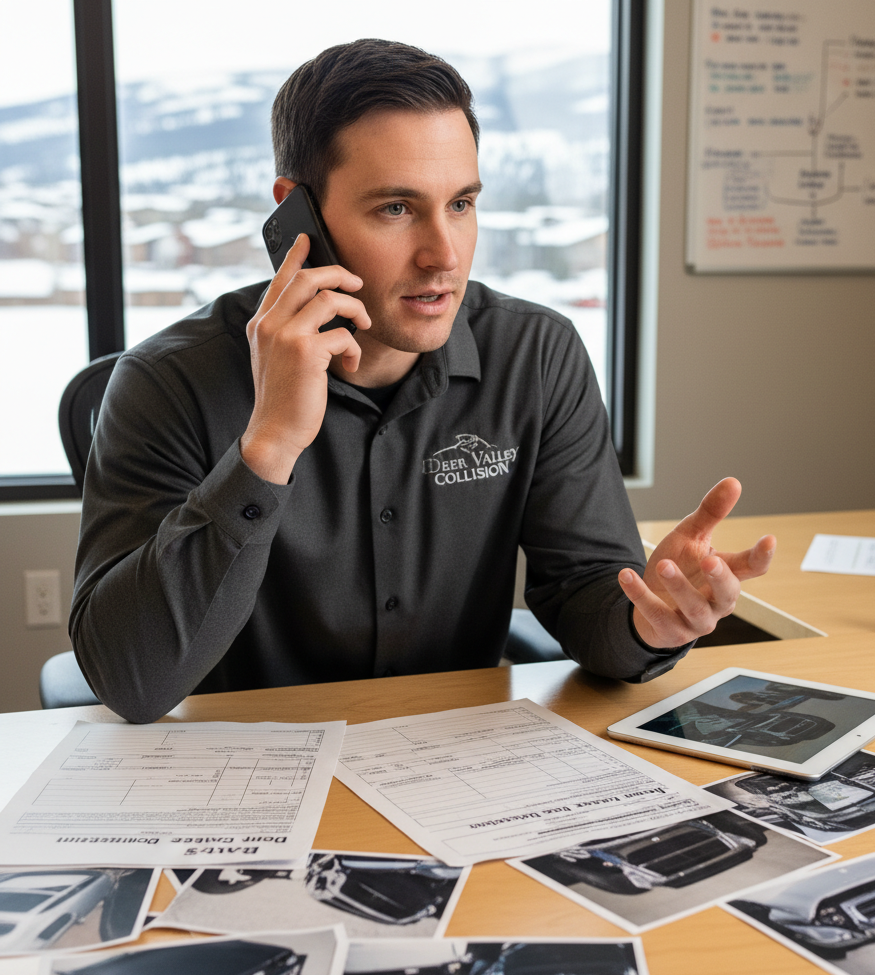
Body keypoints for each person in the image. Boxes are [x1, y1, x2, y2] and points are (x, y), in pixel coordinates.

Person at [71, 39, 775, 724]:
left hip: (456, 774)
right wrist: (269, 446)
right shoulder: (165, 383)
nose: (444, 255)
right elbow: (132, 683)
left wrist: (649, 618)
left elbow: (586, 595)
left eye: (461, 204)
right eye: (396, 209)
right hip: (244, 786)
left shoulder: (535, 353)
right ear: (297, 215)